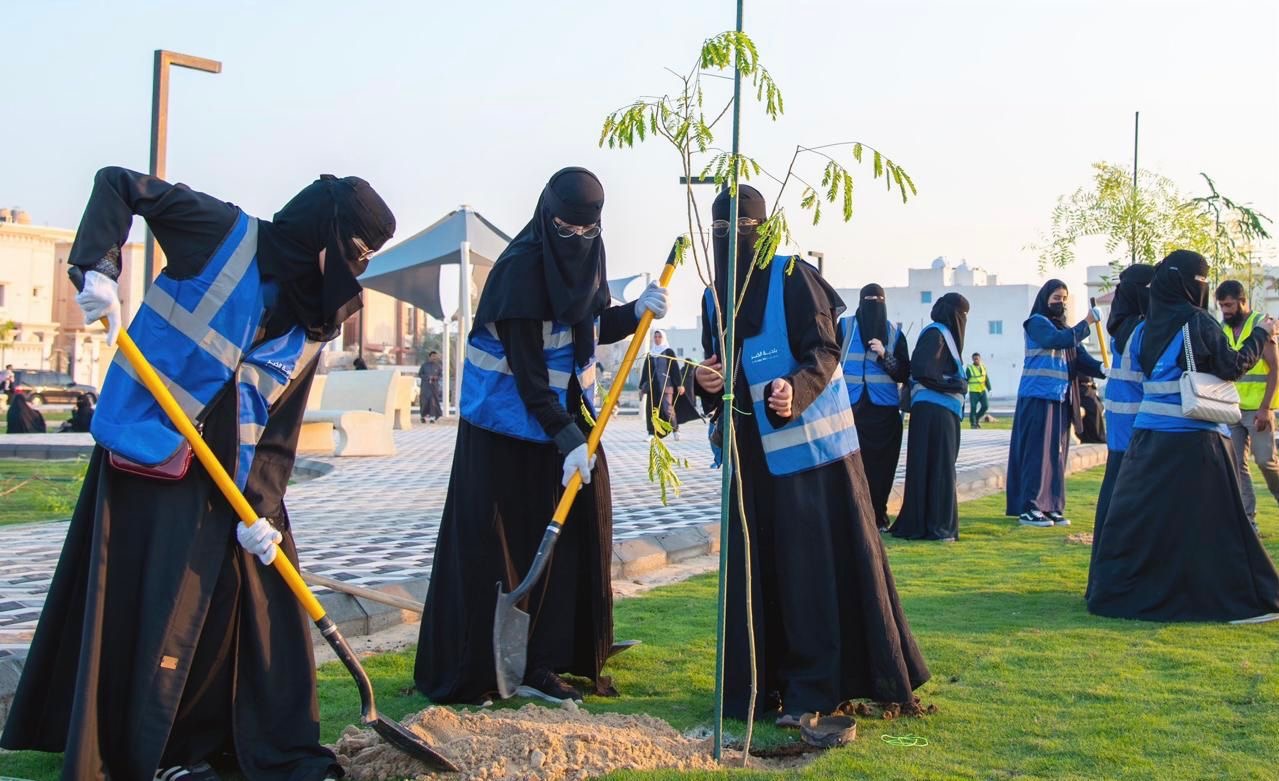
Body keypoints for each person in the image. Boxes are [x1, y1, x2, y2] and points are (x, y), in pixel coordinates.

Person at [0, 166, 396, 780]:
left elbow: (281, 423)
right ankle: (157, 755)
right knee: (163, 608)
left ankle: (245, 744)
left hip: (236, 480)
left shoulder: (318, 313)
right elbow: (117, 183)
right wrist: (98, 267)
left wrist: (262, 512)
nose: (349, 275)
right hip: (154, 457)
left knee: (256, 609)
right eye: (348, 255)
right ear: (322, 232)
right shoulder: (220, 232)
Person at [415, 167, 668, 703]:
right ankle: (501, 665)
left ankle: (558, 652)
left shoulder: (588, 258)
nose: (577, 241)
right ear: (545, 215)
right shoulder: (519, 271)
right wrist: (568, 438)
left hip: (561, 424)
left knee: (577, 532)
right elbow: (530, 378)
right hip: (505, 433)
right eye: (566, 230)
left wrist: (635, 312)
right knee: (511, 550)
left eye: (587, 232)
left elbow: (588, 325)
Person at [694, 185, 928, 725]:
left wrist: (793, 389)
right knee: (757, 572)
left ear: (763, 230)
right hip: (749, 464)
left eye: (742, 231)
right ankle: (758, 686)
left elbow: (826, 350)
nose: (731, 242)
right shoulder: (712, 296)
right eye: (720, 232)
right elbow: (723, 368)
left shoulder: (792, 275)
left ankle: (816, 686)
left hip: (814, 462)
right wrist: (709, 380)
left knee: (809, 574)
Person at [1088, 251, 1279, 622]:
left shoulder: (1142, 328)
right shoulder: (1197, 322)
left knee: (1147, 524)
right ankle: (1241, 600)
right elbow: (1232, 365)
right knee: (1220, 526)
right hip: (1196, 440)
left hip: (1148, 439)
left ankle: (1133, 594)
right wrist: (1261, 334)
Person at [1005, 280, 1104, 527]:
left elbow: (1080, 358)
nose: (1061, 303)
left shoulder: (1067, 331)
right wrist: (1087, 323)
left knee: (1056, 455)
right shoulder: (1037, 323)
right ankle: (1030, 507)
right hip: (1037, 397)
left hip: (1060, 399)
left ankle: (1051, 505)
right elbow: (1055, 340)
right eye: (1056, 298)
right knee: (1037, 454)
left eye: (1064, 298)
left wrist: (1104, 369)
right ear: (1045, 299)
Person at [1087, 263, 1155, 595]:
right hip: (1139, 434)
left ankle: (1105, 581)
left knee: (1114, 509)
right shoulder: (1144, 330)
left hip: (1120, 434)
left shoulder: (1120, 328)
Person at [890, 294, 970, 542]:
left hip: (938, 413)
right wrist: (955, 385)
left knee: (935, 467)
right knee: (939, 469)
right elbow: (923, 370)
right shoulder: (936, 333)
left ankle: (929, 525)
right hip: (934, 413)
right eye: (963, 314)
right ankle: (938, 528)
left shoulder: (942, 335)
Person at [837, 284, 910, 529]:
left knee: (882, 467)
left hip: (884, 412)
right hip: (850, 408)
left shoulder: (895, 333)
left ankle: (878, 515)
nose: (873, 306)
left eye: (878, 301)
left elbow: (903, 373)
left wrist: (883, 354)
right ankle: (853, 516)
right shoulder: (844, 327)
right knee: (851, 466)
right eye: (869, 301)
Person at [1216, 280, 1279, 534]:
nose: (1225, 310)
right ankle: (1248, 524)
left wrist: (1265, 409)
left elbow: (1275, 368)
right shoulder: (1224, 328)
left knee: (1265, 462)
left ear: (1243, 302)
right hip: (1232, 409)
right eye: (1221, 306)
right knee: (1236, 466)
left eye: (1229, 305)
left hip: (1258, 411)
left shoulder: (1261, 326)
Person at [639, 329, 679, 438]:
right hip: (653, 387)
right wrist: (641, 387)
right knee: (652, 409)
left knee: (668, 408)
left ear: (663, 338)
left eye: (659, 337)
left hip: (667, 385)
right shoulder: (651, 354)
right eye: (655, 337)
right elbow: (645, 371)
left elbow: (675, 369)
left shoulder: (668, 352)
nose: (657, 339)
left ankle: (675, 430)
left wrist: (679, 384)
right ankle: (651, 432)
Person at [1071, 375, 1106, 444]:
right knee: (1094, 406)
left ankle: (1094, 436)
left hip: (1086, 388)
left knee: (1098, 406)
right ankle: (1094, 437)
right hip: (1079, 389)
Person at [965, 353, 991, 429]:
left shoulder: (983, 367)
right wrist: (964, 390)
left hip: (982, 391)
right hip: (973, 391)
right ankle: (973, 424)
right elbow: (966, 380)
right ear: (972, 359)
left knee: (985, 406)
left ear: (980, 359)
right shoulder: (969, 368)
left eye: (977, 358)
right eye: (974, 359)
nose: (976, 360)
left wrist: (989, 389)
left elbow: (986, 379)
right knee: (973, 407)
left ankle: (976, 419)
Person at [418, 350, 444, 422]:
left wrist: (435, 378)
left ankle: (433, 417)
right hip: (425, 388)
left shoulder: (438, 366)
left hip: (434, 388)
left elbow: (440, 375)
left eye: (435, 357)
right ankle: (423, 416)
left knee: (433, 402)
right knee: (424, 402)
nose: (434, 358)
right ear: (429, 357)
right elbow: (420, 374)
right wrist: (427, 377)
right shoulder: (424, 365)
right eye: (433, 356)